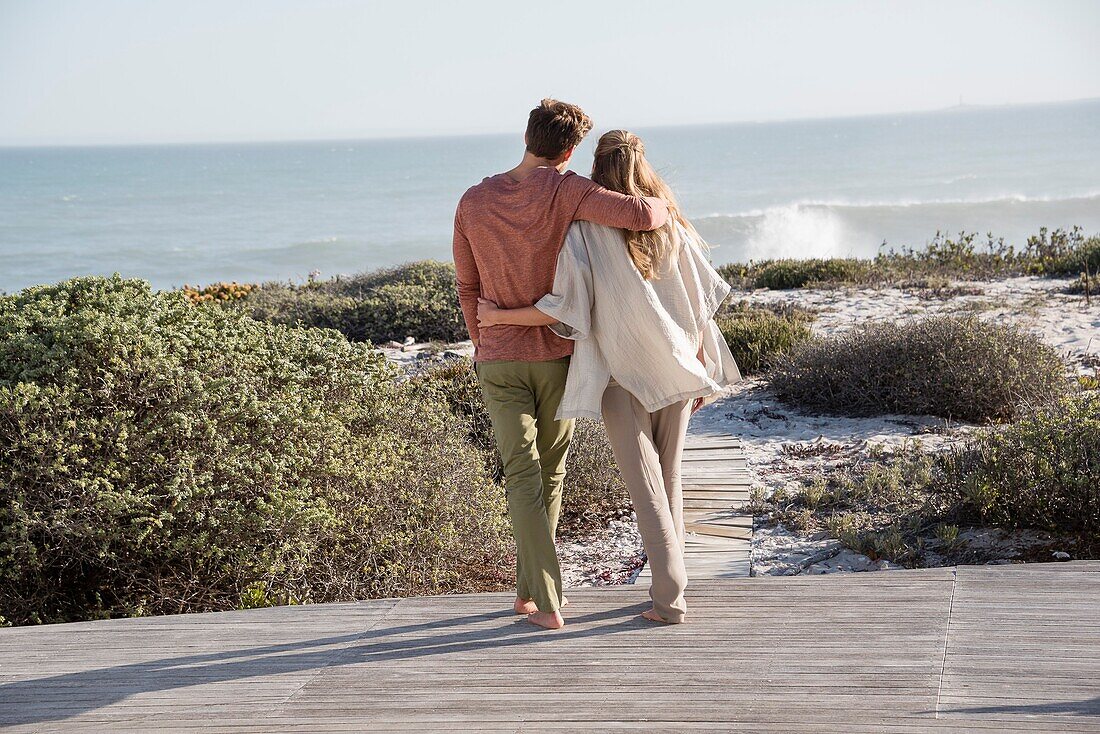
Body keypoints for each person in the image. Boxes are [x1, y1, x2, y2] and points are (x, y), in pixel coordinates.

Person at [476, 130, 742, 625]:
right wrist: (701, 362)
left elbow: (566, 308)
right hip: (679, 370)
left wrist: (499, 318)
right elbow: (702, 302)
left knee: (646, 491)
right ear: (643, 166)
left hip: (622, 382)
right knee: (669, 481)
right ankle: (671, 592)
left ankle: (669, 597)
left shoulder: (585, 232)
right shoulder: (671, 224)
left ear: (597, 170)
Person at [453, 101, 670, 630]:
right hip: (556, 357)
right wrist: (665, 206)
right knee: (547, 473)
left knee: (526, 473)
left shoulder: (473, 200)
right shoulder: (568, 189)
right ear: (570, 150)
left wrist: (485, 341)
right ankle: (548, 600)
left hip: (498, 359)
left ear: (526, 137)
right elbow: (643, 216)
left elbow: (467, 287)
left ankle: (532, 594)